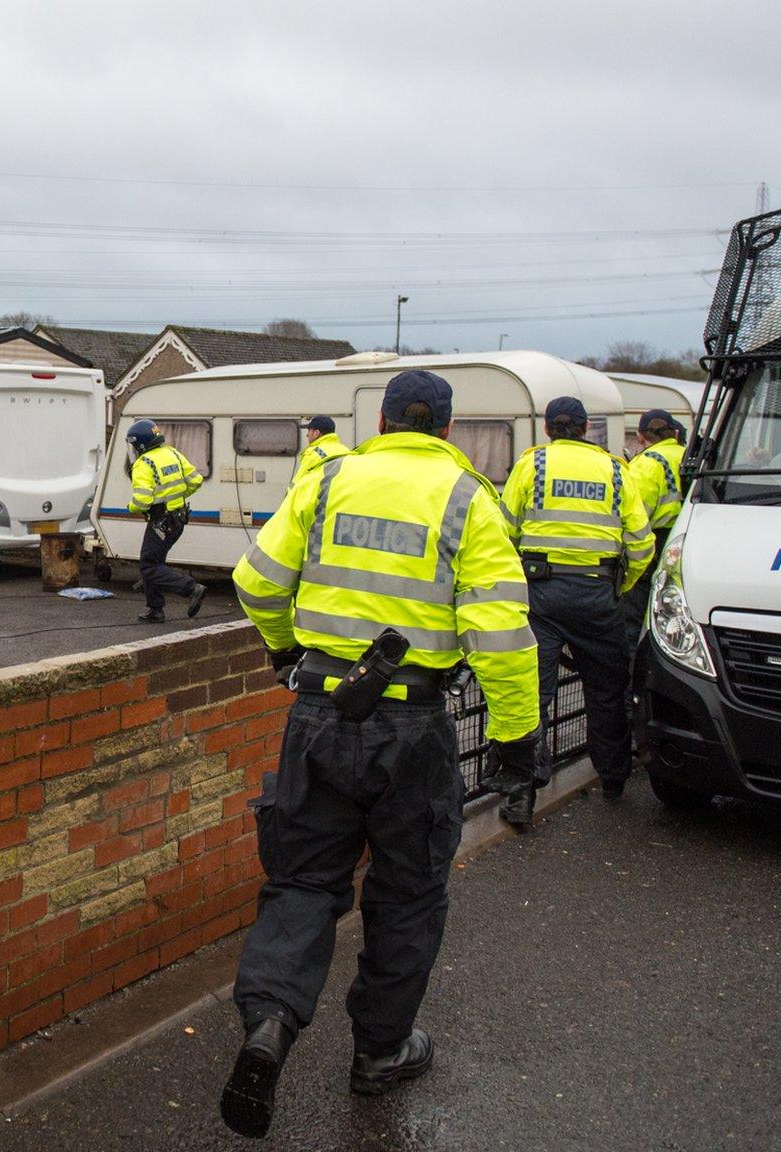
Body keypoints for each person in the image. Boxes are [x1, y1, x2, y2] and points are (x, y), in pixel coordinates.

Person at [221, 371, 538, 1138]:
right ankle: (380, 1053)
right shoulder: (469, 500)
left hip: (319, 717)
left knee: (301, 881)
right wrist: (516, 739)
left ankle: (269, 1024)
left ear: (385, 420)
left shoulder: (328, 482)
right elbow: (500, 636)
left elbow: (254, 580)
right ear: (448, 430)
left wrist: (283, 651)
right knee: (406, 895)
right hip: (412, 728)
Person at [491, 396, 652, 819]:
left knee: (532, 697)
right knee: (606, 692)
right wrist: (621, 588)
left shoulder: (532, 464)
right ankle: (613, 778)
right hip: (598, 596)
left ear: (548, 428)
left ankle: (521, 795)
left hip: (540, 596)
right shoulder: (618, 470)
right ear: (586, 429)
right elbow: (641, 543)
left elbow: (504, 529)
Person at [126, 418, 208, 623]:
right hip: (179, 518)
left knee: (148, 566)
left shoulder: (143, 464)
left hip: (160, 520)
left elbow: (142, 501)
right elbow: (196, 481)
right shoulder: (173, 453)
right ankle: (155, 610)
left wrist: (131, 507)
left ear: (141, 443)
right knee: (154, 562)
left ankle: (191, 588)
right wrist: (178, 497)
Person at [622, 409, 687, 652]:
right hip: (684, 540)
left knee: (636, 615)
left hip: (654, 543)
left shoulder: (645, 464)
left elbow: (635, 516)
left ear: (640, 437)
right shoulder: (688, 456)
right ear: (674, 432)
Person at [292, 415, 351, 485]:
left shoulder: (314, 454)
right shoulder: (346, 451)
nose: (307, 435)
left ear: (316, 433)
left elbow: (298, 483)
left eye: (309, 431)